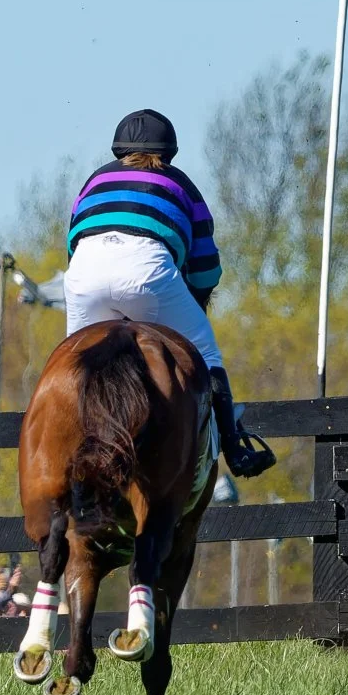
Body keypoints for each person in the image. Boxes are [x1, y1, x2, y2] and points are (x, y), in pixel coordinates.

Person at [64, 109, 275, 477]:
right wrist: (193, 299)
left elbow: (74, 240)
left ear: (119, 150)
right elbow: (207, 267)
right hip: (146, 275)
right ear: (168, 152)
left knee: (72, 366)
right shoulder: (180, 183)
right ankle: (235, 448)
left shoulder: (94, 181)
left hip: (84, 275)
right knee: (207, 352)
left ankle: (65, 448)